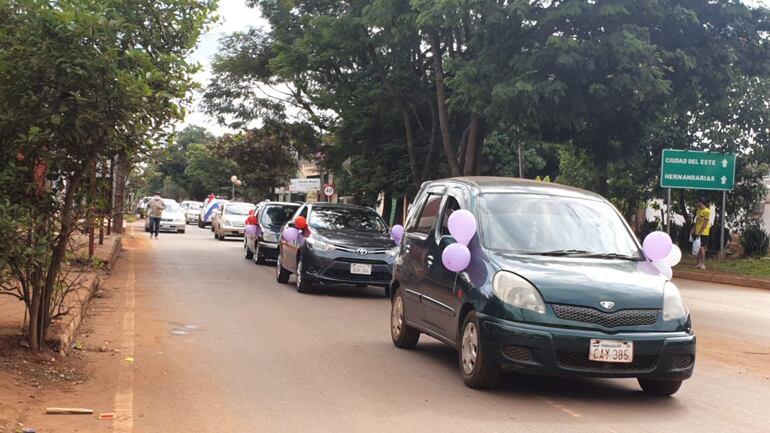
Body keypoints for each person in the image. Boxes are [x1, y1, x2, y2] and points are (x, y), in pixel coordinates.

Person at [691, 197, 711, 270]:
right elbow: (697, 221)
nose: (696, 204)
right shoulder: (698, 211)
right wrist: (693, 229)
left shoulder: (707, 211)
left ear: (701, 202)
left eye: (697, 202)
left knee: (702, 248)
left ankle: (703, 264)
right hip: (697, 231)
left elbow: (705, 223)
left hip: (704, 233)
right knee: (698, 248)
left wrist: (700, 232)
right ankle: (699, 263)